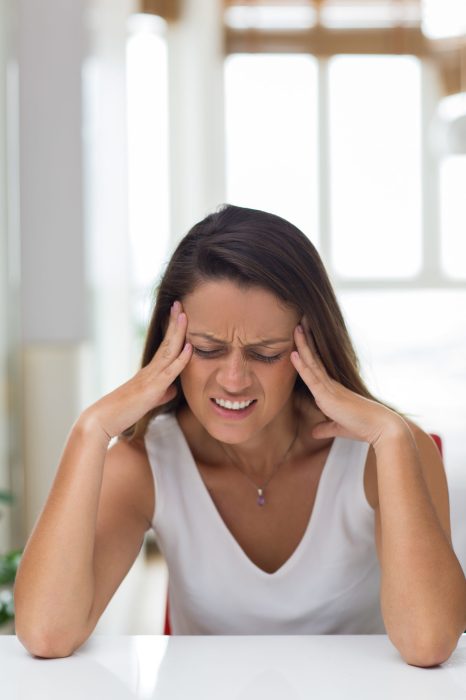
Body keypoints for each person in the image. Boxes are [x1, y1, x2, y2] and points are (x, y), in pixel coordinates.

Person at [14, 204, 466, 666]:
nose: (233, 379)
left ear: (310, 346)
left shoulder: (389, 447)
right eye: (207, 350)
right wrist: (90, 430)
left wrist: (391, 436)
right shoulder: (145, 463)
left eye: (265, 354)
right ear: (170, 344)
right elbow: (47, 634)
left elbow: (428, 643)